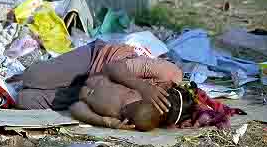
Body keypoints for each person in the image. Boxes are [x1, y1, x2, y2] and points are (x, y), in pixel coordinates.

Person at [11, 40, 183, 113]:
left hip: (92, 91)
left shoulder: (147, 115)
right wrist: (143, 86)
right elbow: (112, 67)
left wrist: (106, 122)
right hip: (98, 58)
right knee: (32, 77)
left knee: (25, 100)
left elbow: (81, 111)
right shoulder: (169, 73)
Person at [70, 74, 194, 131]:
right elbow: (113, 68)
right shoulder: (141, 91)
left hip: (76, 92)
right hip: (89, 74)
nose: (125, 108)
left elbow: (75, 107)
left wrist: (104, 122)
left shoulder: (129, 117)